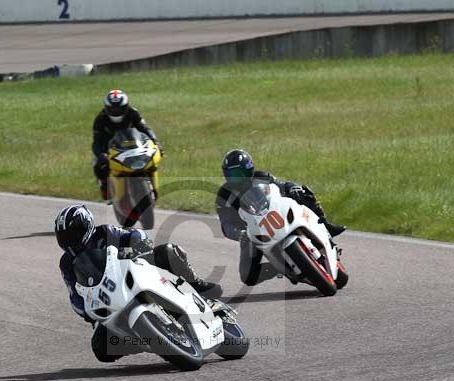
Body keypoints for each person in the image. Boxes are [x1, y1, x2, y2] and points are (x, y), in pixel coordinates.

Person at [55, 204, 221, 362]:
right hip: (110, 300)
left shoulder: (105, 232)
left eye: (73, 233)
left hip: (135, 272)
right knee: (100, 349)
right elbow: (74, 296)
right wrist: (86, 310)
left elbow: (134, 234)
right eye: (64, 236)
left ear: (87, 226)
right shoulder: (66, 263)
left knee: (167, 252)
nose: (70, 239)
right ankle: (147, 338)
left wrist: (138, 244)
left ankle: (197, 286)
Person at [215, 149, 346, 286]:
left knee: (304, 192)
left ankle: (326, 225)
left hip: (277, 215)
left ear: (249, 169)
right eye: (232, 175)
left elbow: (282, 185)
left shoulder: (262, 176)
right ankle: (278, 268)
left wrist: (294, 188)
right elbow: (226, 224)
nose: (237, 178)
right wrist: (240, 234)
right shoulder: (224, 195)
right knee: (248, 277)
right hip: (252, 233)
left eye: (239, 173)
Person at [91, 89, 163, 201]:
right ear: (107, 108)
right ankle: (105, 187)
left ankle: (153, 186)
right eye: (113, 108)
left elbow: (145, 129)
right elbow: (97, 141)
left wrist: (155, 142)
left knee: (153, 158)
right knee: (97, 165)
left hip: (134, 145)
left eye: (119, 108)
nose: (116, 111)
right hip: (110, 149)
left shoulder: (133, 113)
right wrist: (100, 154)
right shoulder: (100, 119)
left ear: (126, 106)